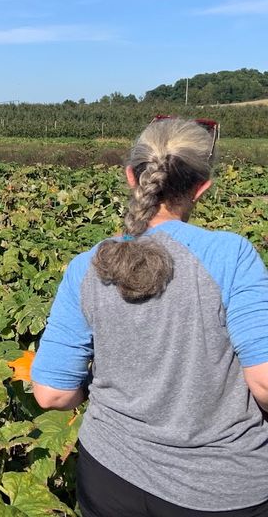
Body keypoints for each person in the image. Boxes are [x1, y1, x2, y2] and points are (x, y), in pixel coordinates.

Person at [31, 117, 268, 516]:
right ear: (202, 187)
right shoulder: (231, 256)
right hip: (220, 486)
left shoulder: (87, 266)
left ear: (130, 177)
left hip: (109, 476)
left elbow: (51, 394)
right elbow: (263, 380)